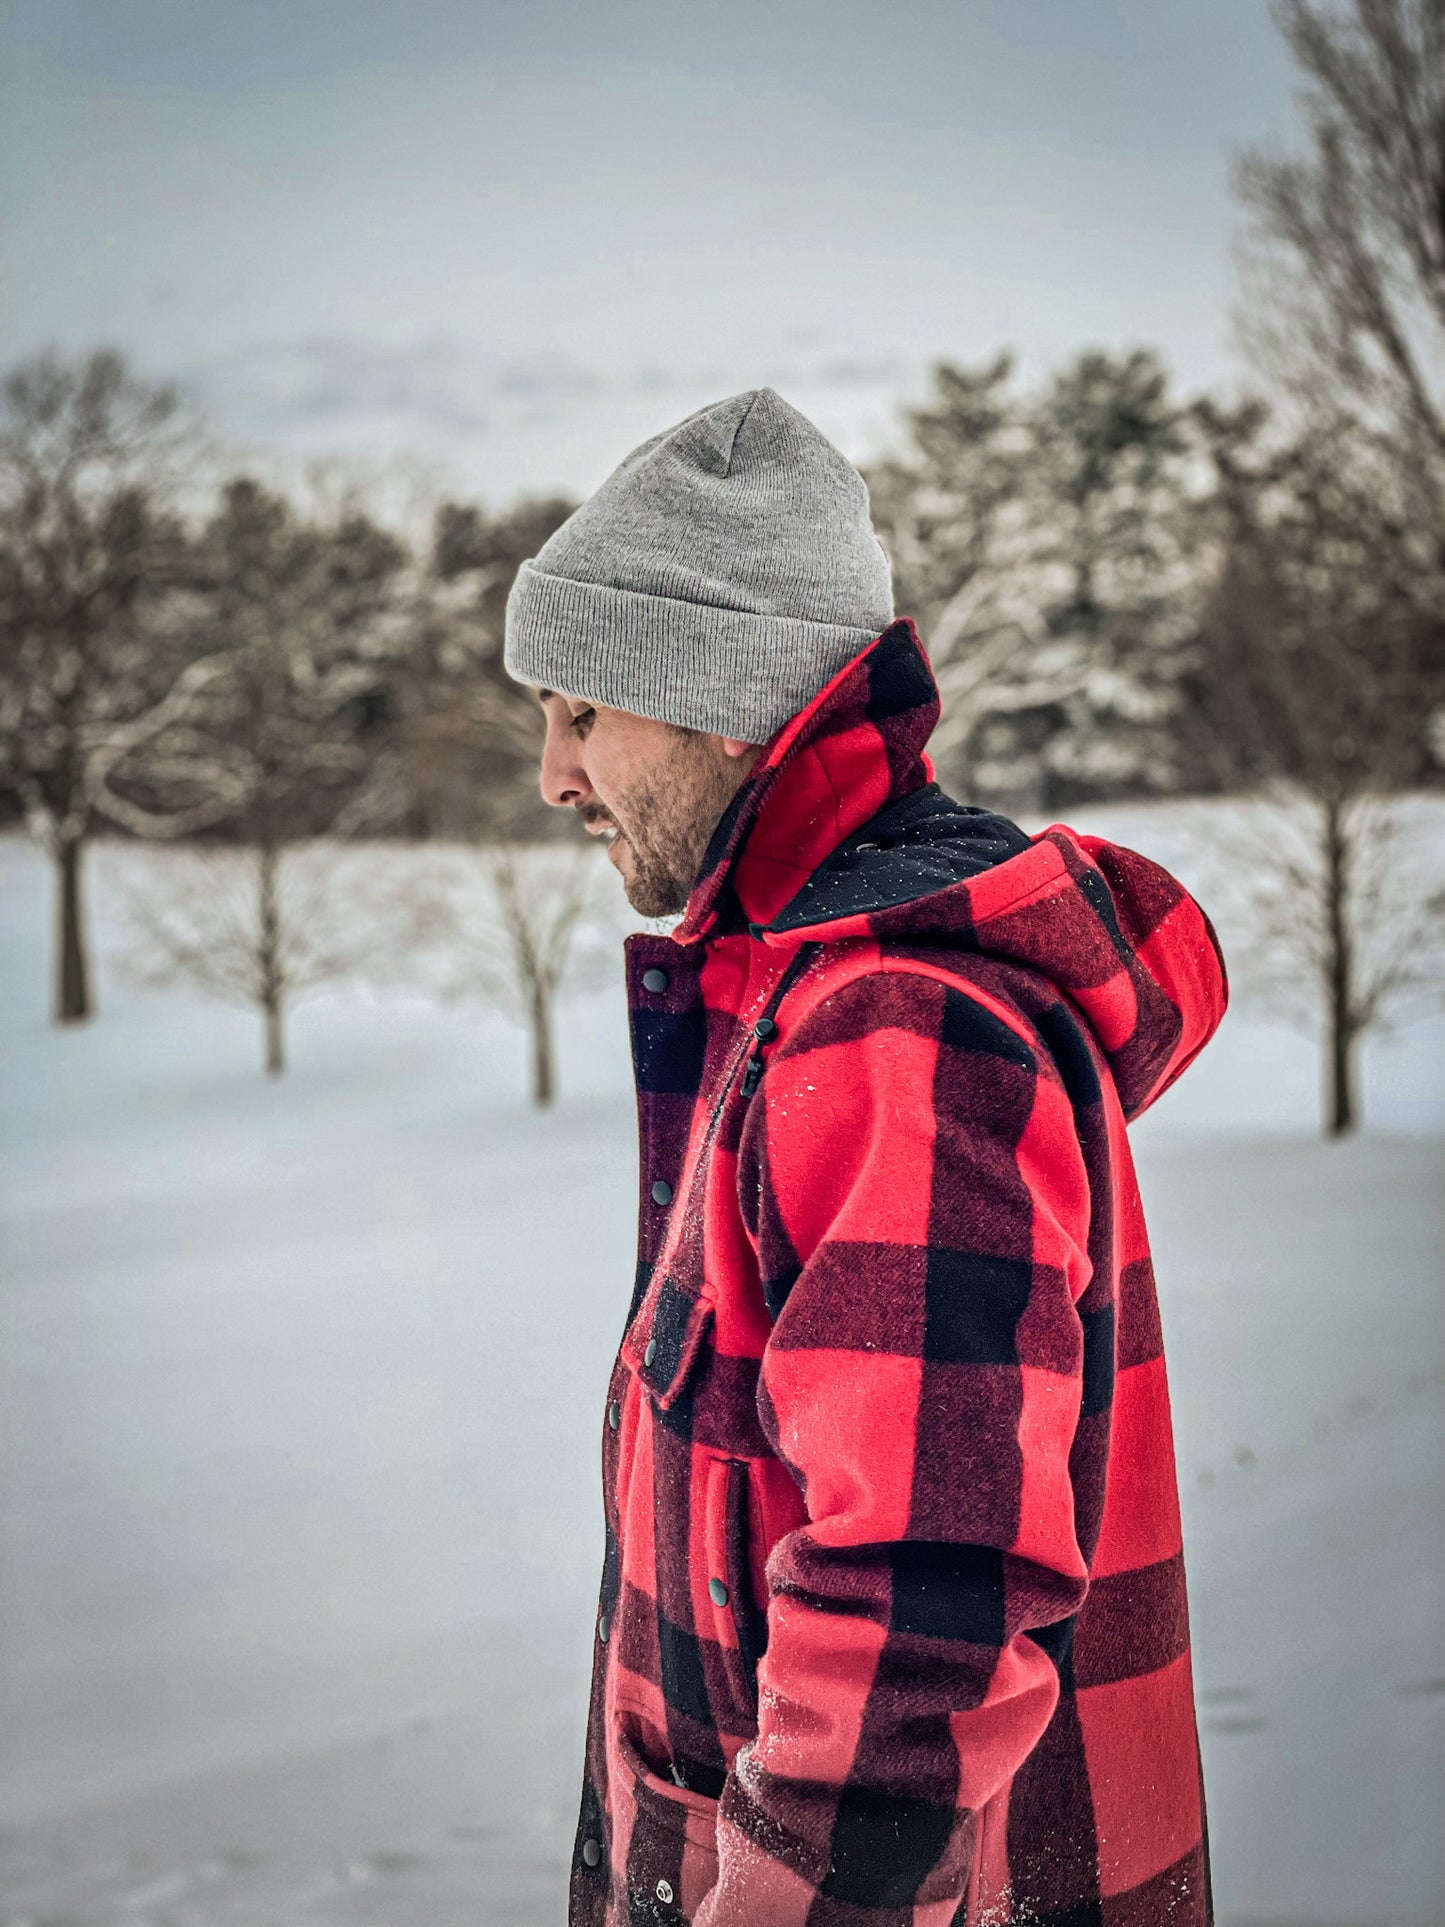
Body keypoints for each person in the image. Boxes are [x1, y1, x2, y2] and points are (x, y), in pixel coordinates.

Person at [504, 389, 1226, 1927]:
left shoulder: (895, 1027)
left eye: (580, 713)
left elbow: (921, 1607)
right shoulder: (793, 987)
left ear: (718, 701)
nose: (552, 777)